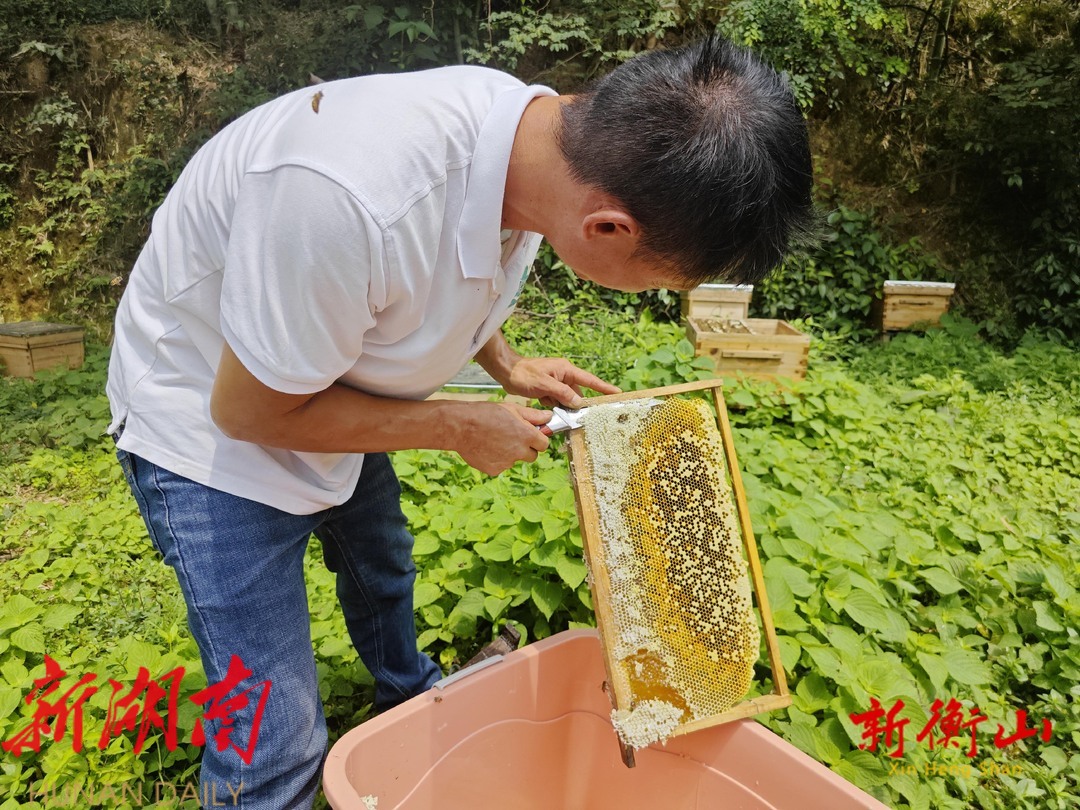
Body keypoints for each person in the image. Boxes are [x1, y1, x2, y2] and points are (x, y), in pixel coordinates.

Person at [106, 34, 812, 809]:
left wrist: (507, 365)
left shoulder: (538, 149)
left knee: (382, 568)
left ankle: (407, 696)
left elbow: (449, 269)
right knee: (272, 734)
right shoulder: (347, 200)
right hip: (210, 429)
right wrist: (453, 425)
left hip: (329, 377)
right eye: (656, 283)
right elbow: (250, 410)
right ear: (608, 227)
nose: (644, 294)